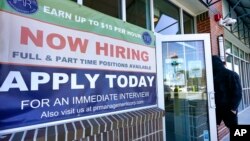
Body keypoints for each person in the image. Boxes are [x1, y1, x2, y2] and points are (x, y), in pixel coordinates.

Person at [212, 55, 242, 129]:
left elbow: (238, 94)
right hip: (219, 108)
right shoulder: (213, 77)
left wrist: (233, 109)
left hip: (227, 109)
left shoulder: (231, 74)